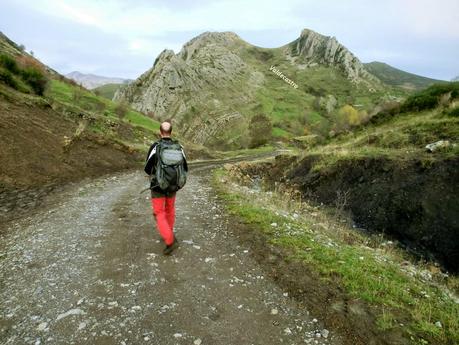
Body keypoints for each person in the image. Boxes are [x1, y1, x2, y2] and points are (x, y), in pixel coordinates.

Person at [144, 121, 188, 255]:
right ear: (171, 132)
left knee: (159, 213)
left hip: (158, 186)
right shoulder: (179, 147)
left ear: (160, 132)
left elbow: (147, 168)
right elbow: (185, 167)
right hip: (173, 185)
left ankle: (170, 240)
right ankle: (168, 231)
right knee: (170, 209)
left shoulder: (155, 147)